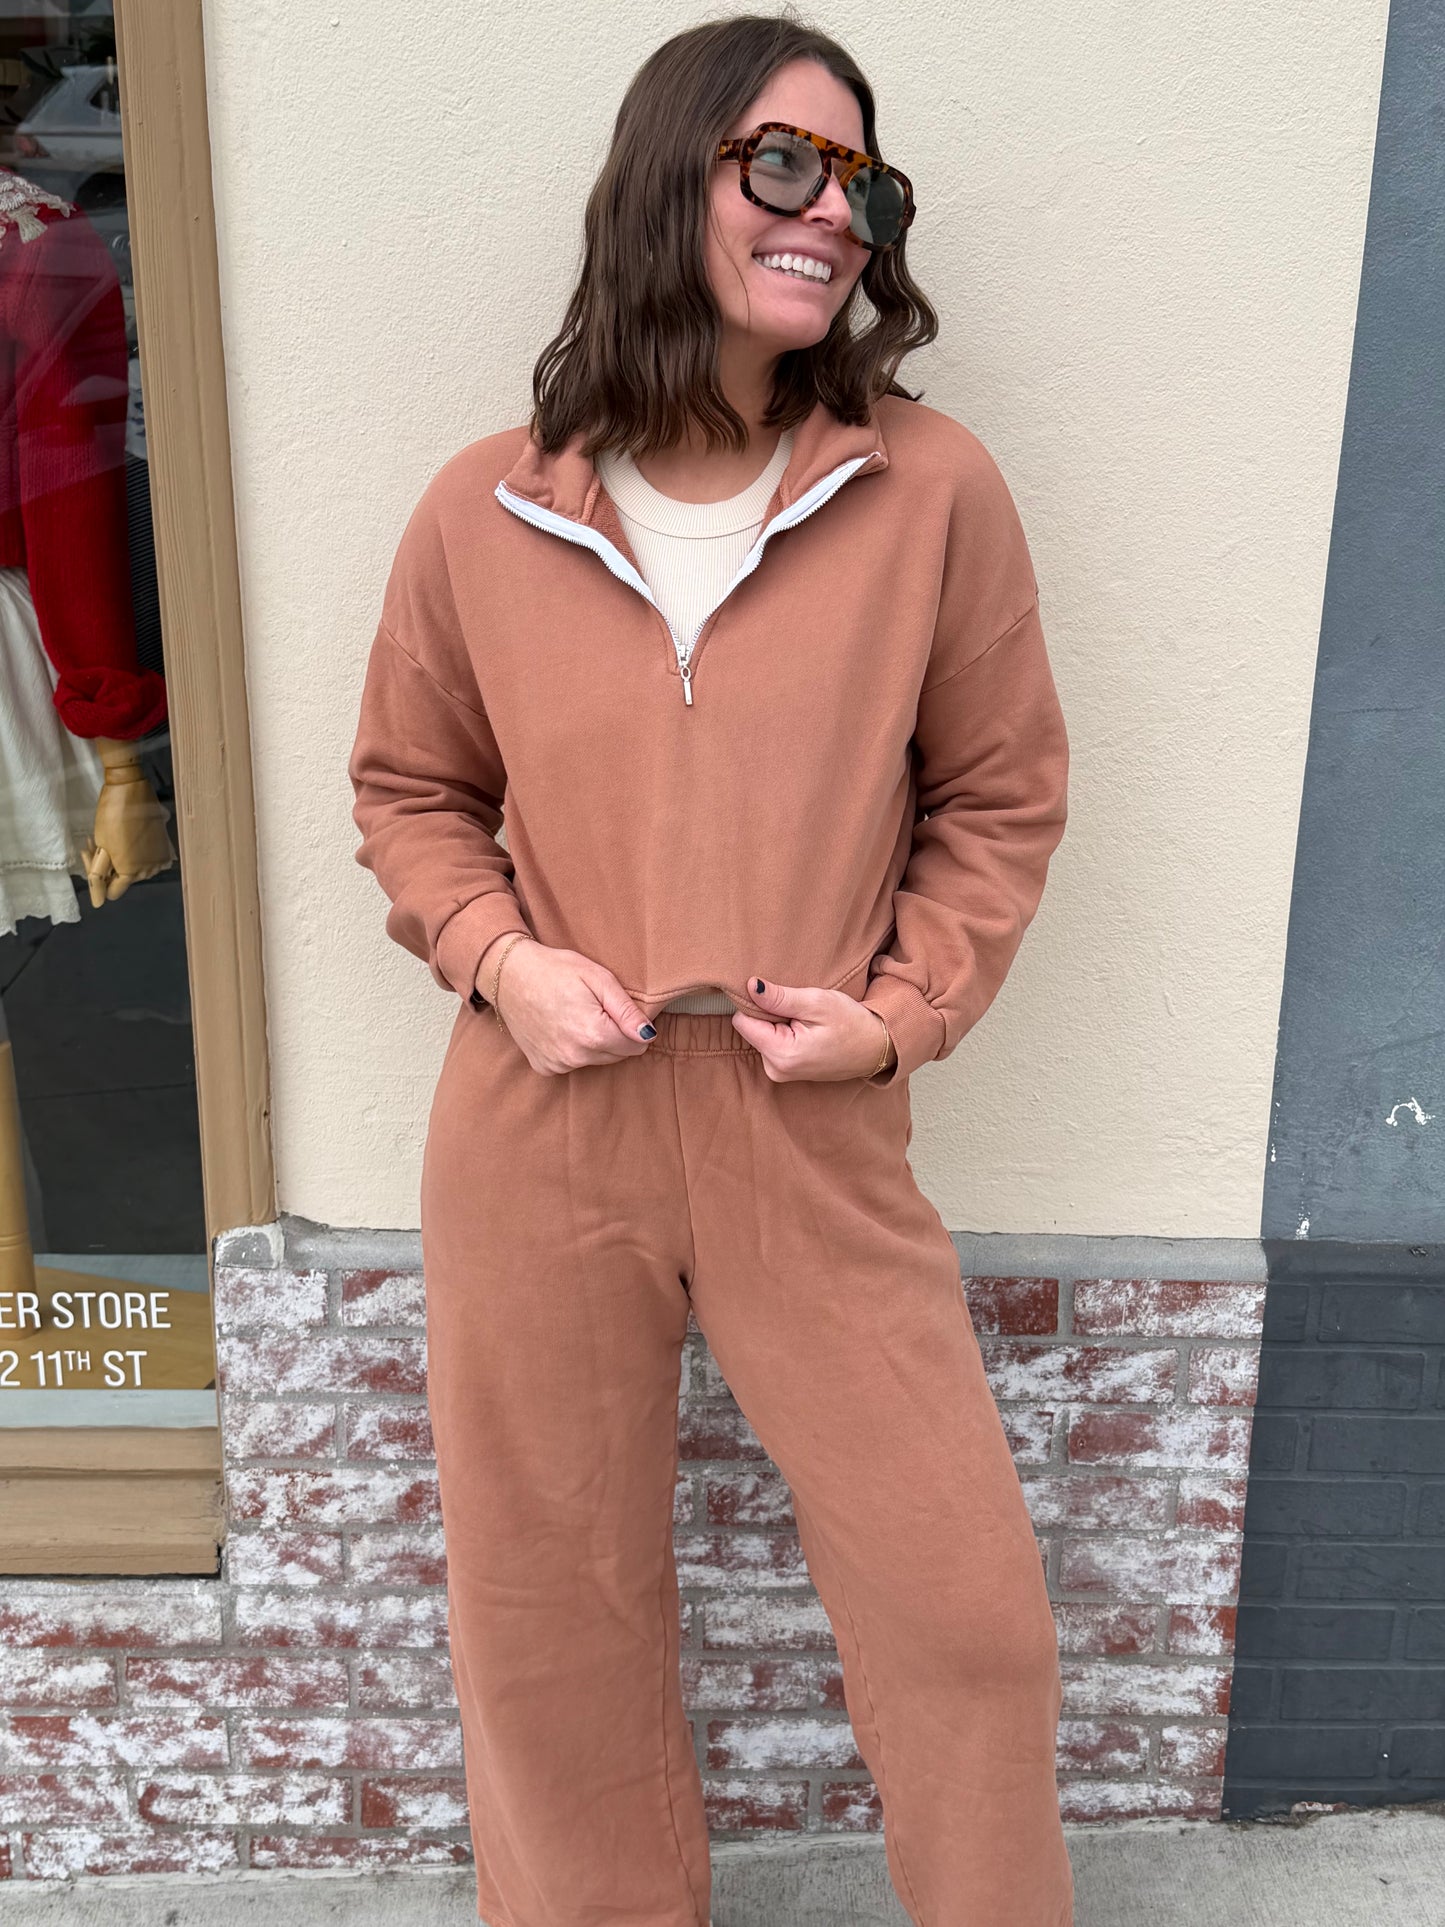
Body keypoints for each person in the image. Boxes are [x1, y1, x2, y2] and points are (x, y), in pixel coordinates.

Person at [348, 14, 1074, 1925]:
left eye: (860, 183)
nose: (830, 211)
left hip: (805, 1124)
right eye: (782, 164)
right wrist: (498, 958)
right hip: (540, 1131)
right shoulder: (483, 507)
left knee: (964, 1614)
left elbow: (997, 803)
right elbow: (412, 793)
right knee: (550, 1616)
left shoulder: (928, 493)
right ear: (667, 174)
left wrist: (896, 1018)